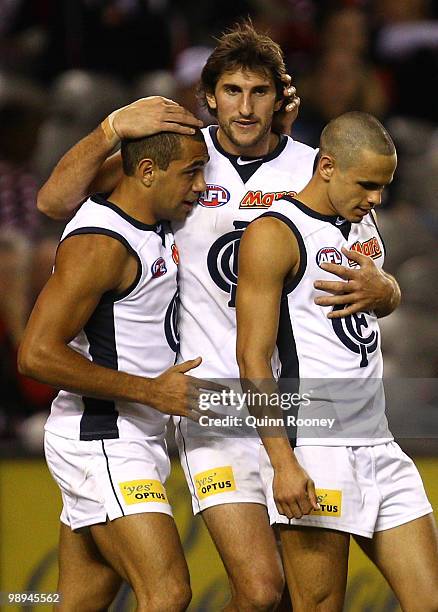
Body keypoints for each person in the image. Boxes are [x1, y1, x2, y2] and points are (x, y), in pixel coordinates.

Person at [36, 22, 402, 610]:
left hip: (299, 410)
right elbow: (54, 203)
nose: (245, 106)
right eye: (232, 90)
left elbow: (374, 276)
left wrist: (385, 288)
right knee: (259, 591)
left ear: (281, 97)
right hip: (215, 406)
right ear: (208, 97)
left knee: (300, 594)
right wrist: (111, 129)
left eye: (259, 92)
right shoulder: (180, 158)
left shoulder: (316, 168)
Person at [236, 111, 438, 611]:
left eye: (384, 186)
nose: (377, 199)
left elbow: (381, 300)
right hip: (316, 441)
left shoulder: (359, 219)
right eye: (367, 185)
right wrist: (283, 463)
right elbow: (252, 358)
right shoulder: (275, 233)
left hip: (377, 435)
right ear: (326, 166)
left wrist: (387, 290)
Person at [18, 129, 211, 611]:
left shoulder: (151, 215)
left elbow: (76, 185)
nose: (202, 185)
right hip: (101, 437)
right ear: (147, 173)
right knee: (167, 593)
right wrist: (151, 391)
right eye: (191, 172)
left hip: (130, 437)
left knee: (80, 603)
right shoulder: (101, 243)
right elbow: (36, 353)